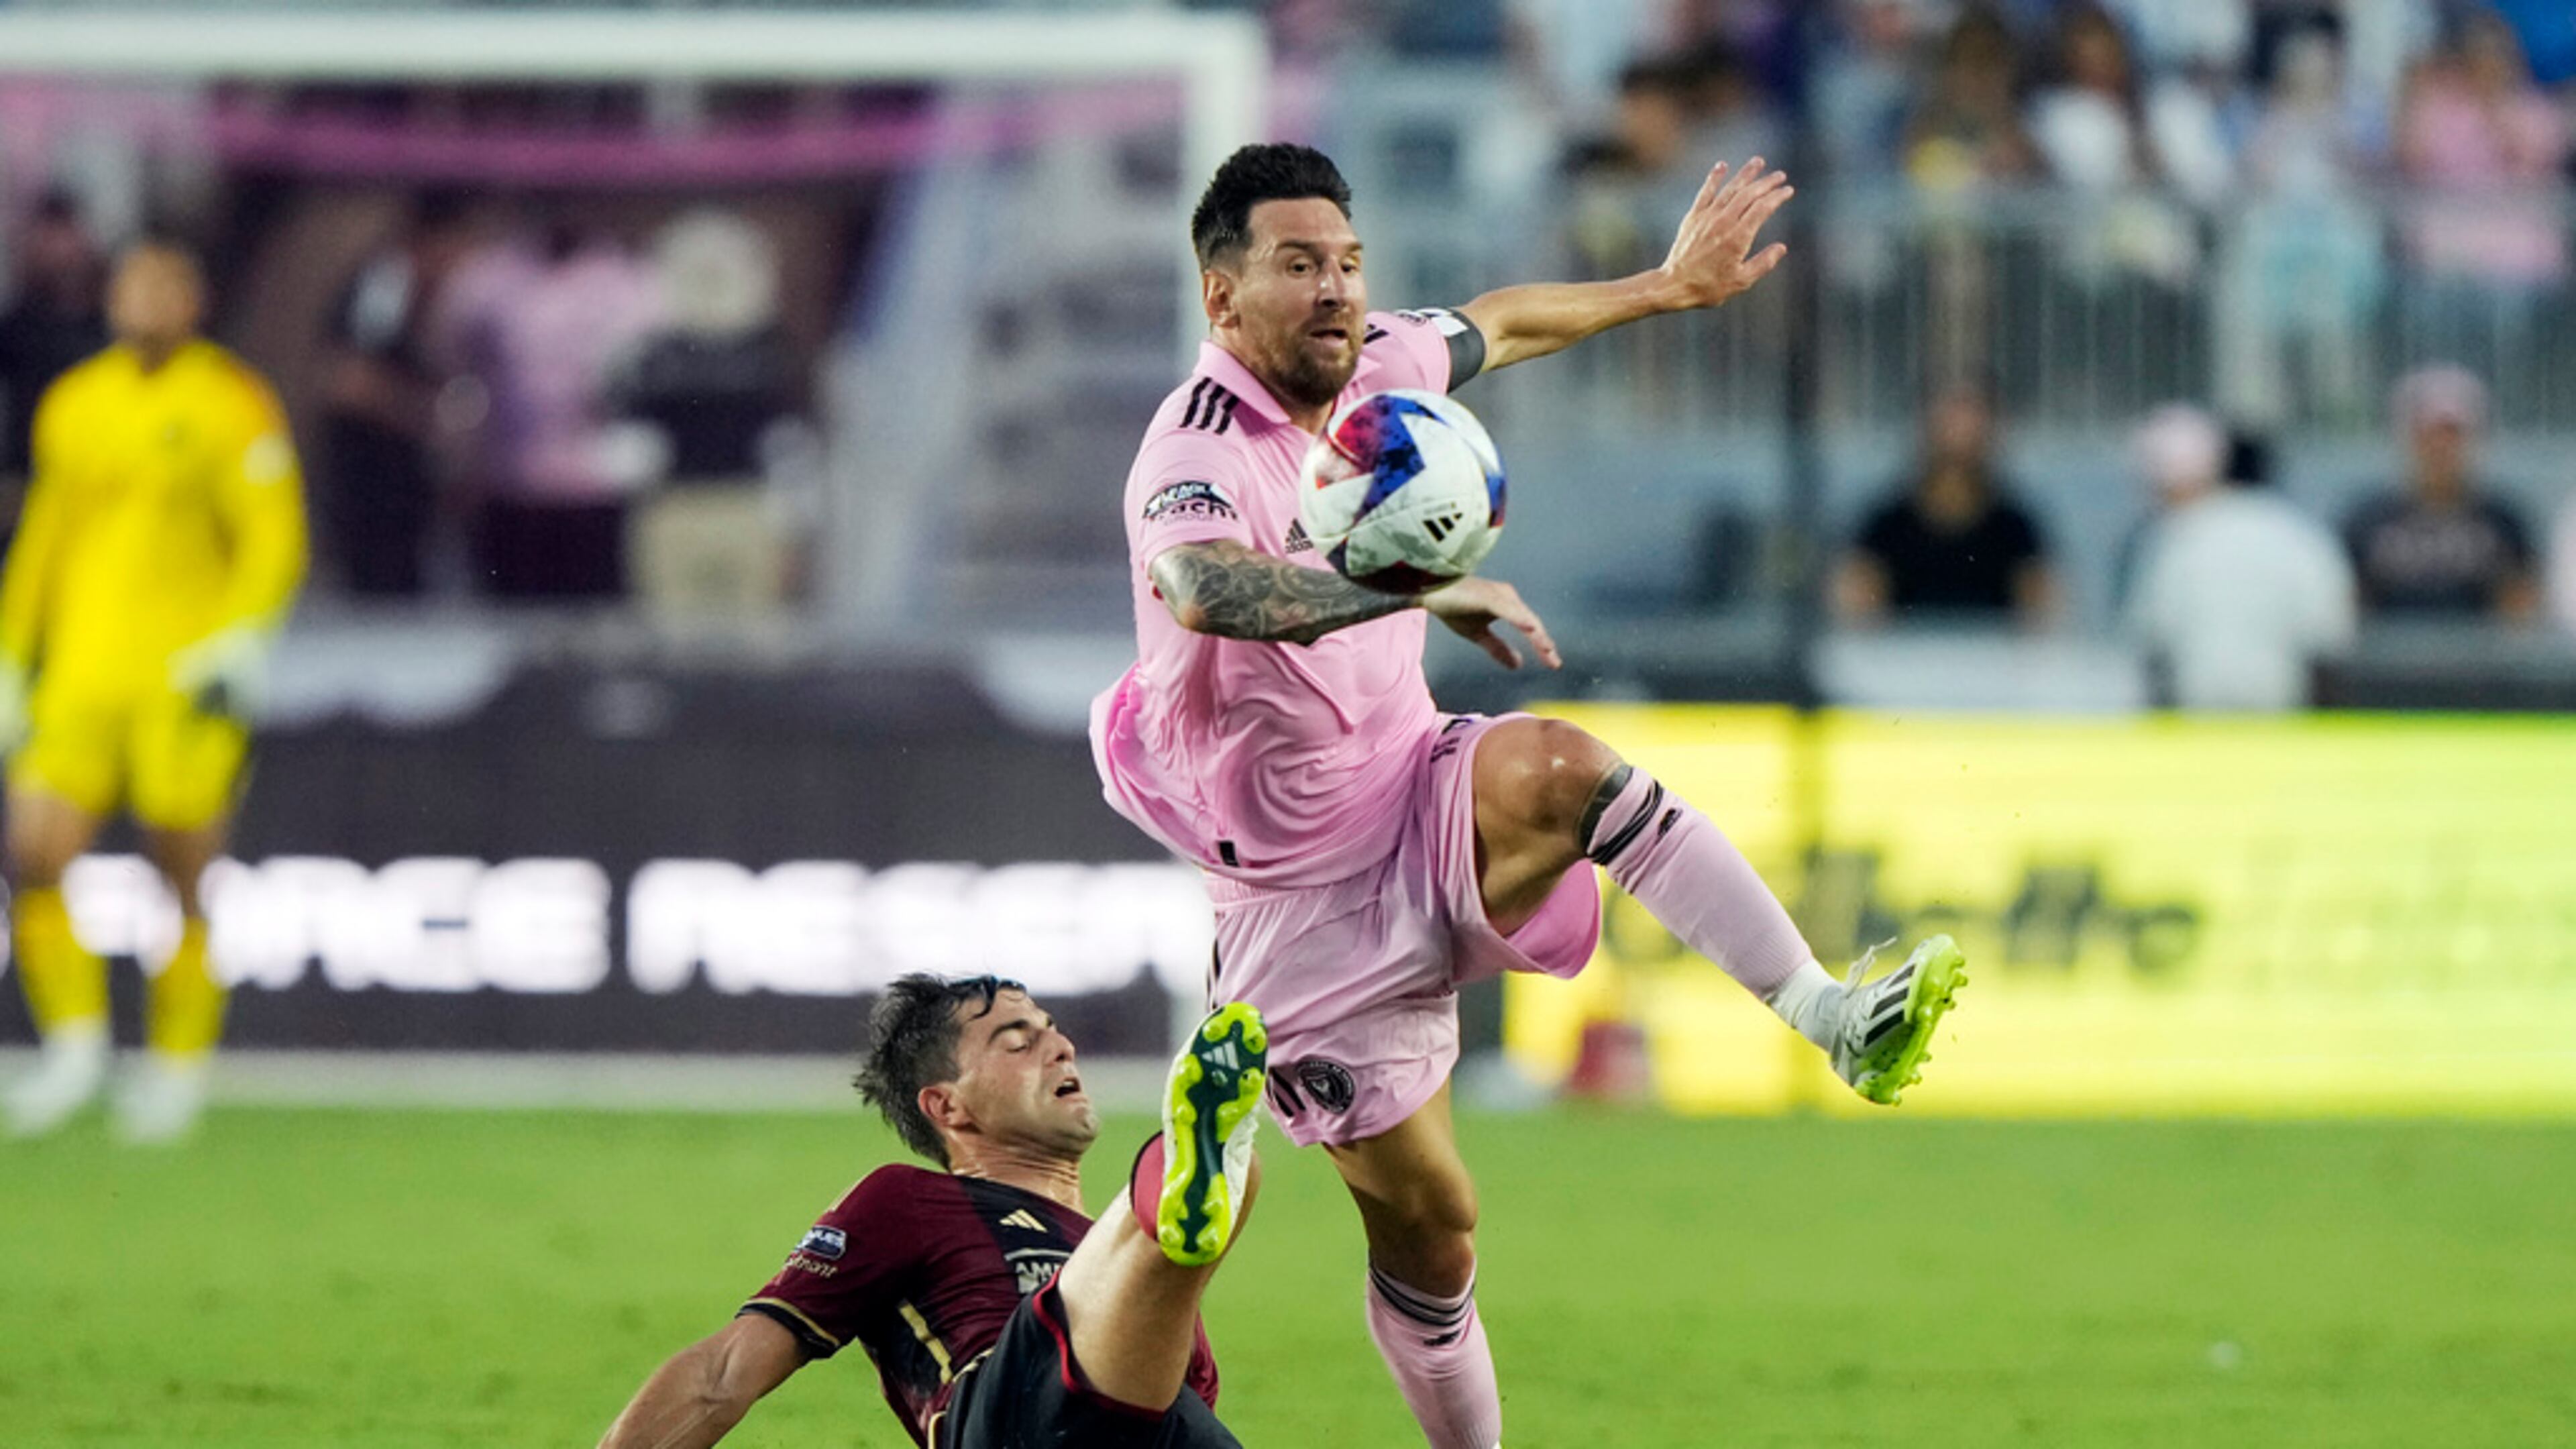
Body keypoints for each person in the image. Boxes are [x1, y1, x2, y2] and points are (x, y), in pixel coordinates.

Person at [1089, 142, 1967, 1449]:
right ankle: (1203, 1164)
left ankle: (1828, 1011)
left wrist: (1663, 289)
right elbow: (1210, 591)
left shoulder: (1379, 365)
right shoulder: (1196, 447)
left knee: (1562, 766)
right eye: (1297, 267)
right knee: (1435, 1231)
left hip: (1417, 785)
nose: (1336, 292)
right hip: (1299, 891)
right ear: (1221, 299)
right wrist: (1415, 590)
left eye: (1347, 263)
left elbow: (1498, 319)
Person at [596, 976, 1269, 1449]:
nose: (1060, 1048)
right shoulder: (909, 1201)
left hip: (1157, 1423)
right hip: (1007, 1417)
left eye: (1053, 1033)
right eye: (1017, 1041)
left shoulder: (1099, 1243)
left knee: (1150, 1332)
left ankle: (1197, 1171)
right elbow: (723, 1373)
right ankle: (1202, 1158)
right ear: (947, 1107)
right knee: (1115, 1283)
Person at [0, 239, 307, 1143]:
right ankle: (75, 1050)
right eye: (133, 287)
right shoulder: (77, 401)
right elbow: (48, 536)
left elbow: (273, 535)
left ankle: (176, 1065)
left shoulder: (231, 402)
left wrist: (239, 643)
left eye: (164, 287)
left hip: (181, 678)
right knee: (35, 855)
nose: (145, 303)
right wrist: (14, 651)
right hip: (85, 674)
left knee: (178, 873)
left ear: (194, 300)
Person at [2123, 403, 2355, 710]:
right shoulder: (2301, 536)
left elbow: (2152, 647)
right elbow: (2328, 644)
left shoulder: (2179, 539)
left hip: (2196, 725)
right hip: (2287, 723)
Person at [1835, 381, 2056, 626]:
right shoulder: (1885, 528)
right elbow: (1855, 614)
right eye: (1947, 428)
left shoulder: (2015, 530)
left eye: (1970, 432)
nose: (1958, 440)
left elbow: (2043, 617)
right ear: (1926, 434)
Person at [2342, 365, 2537, 621]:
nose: (2440, 448)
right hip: (2390, 660)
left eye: (2453, 435)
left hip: (2481, 660)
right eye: (2427, 435)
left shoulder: (2504, 521)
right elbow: (2350, 609)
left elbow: (2522, 613)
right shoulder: (2366, 522)